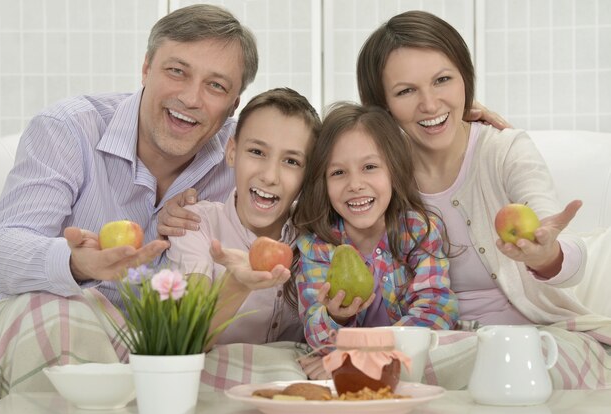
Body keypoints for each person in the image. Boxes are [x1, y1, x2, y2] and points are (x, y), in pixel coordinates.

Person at [0, 4, 258, 405]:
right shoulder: (69, 128)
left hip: (160, 353)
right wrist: (76, 263)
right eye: (176, 71)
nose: (190, 97)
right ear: (146, 68)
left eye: (216, 86)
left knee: (260, 364)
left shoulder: (248, 158)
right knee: (63, 317)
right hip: (46, 328)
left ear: (233, 105)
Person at [355, 10, 611, 388]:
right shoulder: (374, 172)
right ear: (382, 105)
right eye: (406, 91)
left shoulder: (504, 150)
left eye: (443, 80)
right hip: (432, 340)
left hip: (533, 338)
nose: (430, 103)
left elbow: (564, 249)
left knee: (521, 364)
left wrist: (546, 255)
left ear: (465, 79)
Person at [292, 102, 458, 352]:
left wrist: (375, 353)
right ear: (322, 182)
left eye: (369, 167)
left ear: (394, 170)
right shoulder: (316, 247)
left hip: (406, 355)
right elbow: (317, 338)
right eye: (338, 172)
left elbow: (436, 309)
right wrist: (335, 317)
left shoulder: (417, 231)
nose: (355, 184)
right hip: (353, 361)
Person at [165, 87, 321, 347]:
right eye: (257, 152)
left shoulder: (316, 238)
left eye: (291, 161)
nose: (270, 176)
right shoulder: (196, 224)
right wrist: (237, 284)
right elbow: (185, 338)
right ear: (232, 152)